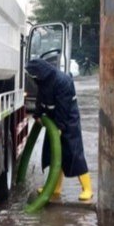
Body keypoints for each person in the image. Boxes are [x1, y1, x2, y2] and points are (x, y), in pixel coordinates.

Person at [25, 58, 93, 202]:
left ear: (39, 73)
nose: (31, 78)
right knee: (54, 154)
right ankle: (55, 188)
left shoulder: (62, 81)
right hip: (52, 119)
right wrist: (37, 114)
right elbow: (41, 99)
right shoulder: (42, 81)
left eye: (32, 75)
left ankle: (87, 189)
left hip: (68, 120)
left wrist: (60, 127)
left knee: (74, 154)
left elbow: (63, 107)